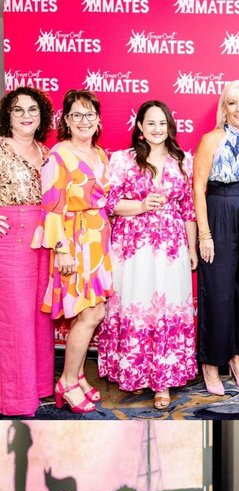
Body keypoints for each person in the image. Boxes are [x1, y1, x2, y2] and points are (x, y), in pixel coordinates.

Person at [98, 100, 197, 410]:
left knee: (166, 308)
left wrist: (193, 248)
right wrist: (141, 206)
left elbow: (189, 211)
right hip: (132, 249)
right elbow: (110, 204)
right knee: (134, 304)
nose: (157, 128)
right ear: (139, 127)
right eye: (150, 123)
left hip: (170, 250)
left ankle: (163, 381)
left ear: (169, 127)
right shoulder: (123, 160)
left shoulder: (183, 160)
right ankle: (131, 372)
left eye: (162, 123)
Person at [33, 88, 113, 414]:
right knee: (90, 313)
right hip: (74, 242)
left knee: (92, 313)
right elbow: (51, 208)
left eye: (89, 114)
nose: (84, 120)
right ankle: (65, 383)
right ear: (65, 119)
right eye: (76, 115)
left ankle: (78, 375)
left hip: (98, 242)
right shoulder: (59, 155)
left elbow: (105, 200)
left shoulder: (101, 154)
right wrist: (62, 250)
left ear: (98, 120)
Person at [192, 80, 239, 397]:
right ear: (224, 108)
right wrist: (205, 234)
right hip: (220, 210)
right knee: (218, 292)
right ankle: (211, 363)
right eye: (233, 103)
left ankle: (237, 359)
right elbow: (198, 188)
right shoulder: (210, 140)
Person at [0, 87, 54, 416]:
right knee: (16, 318)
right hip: (11, 238)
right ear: (8, 115)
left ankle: (38, 387)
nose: (26, 116)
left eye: (32, 110)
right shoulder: (1, 148)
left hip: (43, 237)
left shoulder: (46, 151)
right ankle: (14, 398)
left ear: (41, 116)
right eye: (18, 110)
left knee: (40, 314)